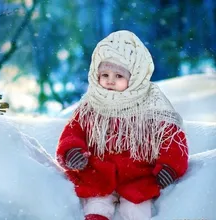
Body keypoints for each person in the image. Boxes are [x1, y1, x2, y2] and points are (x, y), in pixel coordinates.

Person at [56, 30, 189, 220]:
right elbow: (73, 131)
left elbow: (172, 139)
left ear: (134, 77)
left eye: (119, 76)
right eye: (105, 74)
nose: (110, 80)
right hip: (98, 173)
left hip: (138, 178)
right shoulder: (92, 105)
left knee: (136, 210)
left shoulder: (151, 106)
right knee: (96, 205)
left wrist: (170, 166)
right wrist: (72, 151)